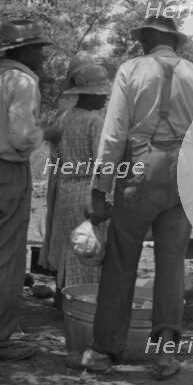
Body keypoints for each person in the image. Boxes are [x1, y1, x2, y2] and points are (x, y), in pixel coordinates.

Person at [81, 15, 193, 379]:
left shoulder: (132, 69)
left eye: (142, 37)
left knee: (123, 258)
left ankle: (104, 350)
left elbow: (113, 134)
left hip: (140, 167)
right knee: (171, 265)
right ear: (173, 40)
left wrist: (99, 187)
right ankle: (166, 355)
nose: (139, 42)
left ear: (151, 37)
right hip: (183, 172)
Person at [0, 20, 49, 361]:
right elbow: (22, 136)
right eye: (38, 49)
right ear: (23, 50)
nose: (42, 56)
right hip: (6, 171)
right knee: (5, 258)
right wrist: (40, 135)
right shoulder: (22, 82)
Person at [42, 57, 111, 307]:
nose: (105, 98)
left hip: (66, 189)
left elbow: (56, 157)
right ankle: (84, 303)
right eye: (102, 94)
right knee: (90, 249)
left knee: (71, 247)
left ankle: (62, 298)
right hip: (86, 190)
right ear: (90, 94)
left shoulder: (64, 118)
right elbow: (101, 162)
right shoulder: (95, 121)